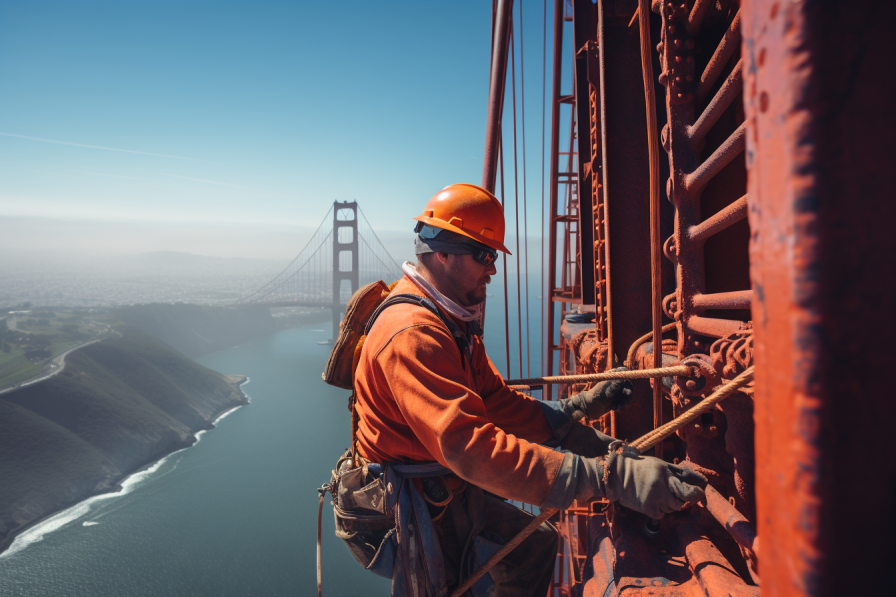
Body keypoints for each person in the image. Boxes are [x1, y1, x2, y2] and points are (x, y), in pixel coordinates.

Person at [350, 183, 707, 596]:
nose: (493, 268)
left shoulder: (451, 320)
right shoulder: (414, 334)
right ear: (442, 252)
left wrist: (576, 413)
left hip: (440, 486)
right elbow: (472, 449)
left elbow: (496, 402)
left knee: (535, 548)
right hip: (411, 507)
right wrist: (612, 478)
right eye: (484, 255)